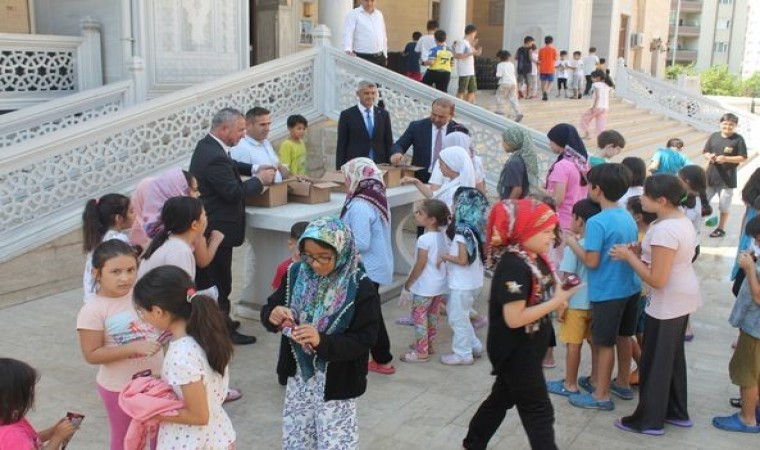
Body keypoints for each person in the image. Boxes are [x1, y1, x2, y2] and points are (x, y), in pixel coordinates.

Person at [463, 198, 579, 450]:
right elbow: (514, 318)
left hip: (530, 345)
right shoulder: (514, 266)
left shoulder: (535, 257)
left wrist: (560, 298)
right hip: (516, 351)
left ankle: (473, 444)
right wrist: (558, 300)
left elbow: (545, 289)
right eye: (546, 231)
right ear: (526, 230)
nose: (552, 238)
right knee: (539, 411)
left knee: (501, 398)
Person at [261, 217, 380, 449]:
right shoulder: (296, 273)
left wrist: (321, 341)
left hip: (336, 380)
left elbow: (365, 339)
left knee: (335, 439)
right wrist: (272, 315)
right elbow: (271, 307)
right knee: (299, 435)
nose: (315, 264)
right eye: (308, 256)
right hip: (300, 375)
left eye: (324, 257)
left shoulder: (359, 286)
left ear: (342, 251)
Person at [609, 174, 701, 435]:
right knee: (671, 359)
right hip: (680, 295)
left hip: (668, 299)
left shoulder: (664, 229)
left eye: (646, 196)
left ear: (661, 200)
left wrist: (629, 256)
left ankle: (649, 420)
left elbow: (657, 279)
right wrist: (641, 252)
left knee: (656, 361)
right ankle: (675, 411)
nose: (641, 199)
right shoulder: (677, 219)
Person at [189, 107, 276, 346]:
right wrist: (259, 181)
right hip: (217, 229)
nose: (242, 134)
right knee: (218, 283)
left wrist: (253, 169)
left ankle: (221, 322)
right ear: (224, 128)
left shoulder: (211, 146)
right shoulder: (214, 155)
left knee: (218, 280)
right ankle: (221, 329)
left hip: (216, 226)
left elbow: (230, 165)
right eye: (239, 130)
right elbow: (233, 192)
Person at [564, 163, 641, 411]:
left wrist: (573, 243)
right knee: (624, 336)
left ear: (597, 189)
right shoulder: (626, 215)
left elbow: (591, 261)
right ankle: (622, 383)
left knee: (604, 342)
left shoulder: (597, 222)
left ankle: (601, 394)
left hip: (608, 291)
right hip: (631, 287)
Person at [133, 266, 236, 448]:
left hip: (192, 441)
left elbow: (198, 416)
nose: (143, 317)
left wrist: (150, 411)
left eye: (142, 312)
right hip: (219, 433)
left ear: (158, 311)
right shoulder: (207, 334)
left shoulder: (180, 355)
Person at [76, 240, 163, 450]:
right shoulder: (93, 310)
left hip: (156, 382)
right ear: (97, 273)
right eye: (115, 271)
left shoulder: (141, 296)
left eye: (131, 270)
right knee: (126, 440)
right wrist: (133, 348)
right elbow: (92, 354)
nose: (125, 278)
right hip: (119, 387)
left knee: (159, 436)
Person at [340, 157, 395, 375]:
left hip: (366, 269)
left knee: (370, 316)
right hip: (375, 266)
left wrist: (337, 242)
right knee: (370, 313)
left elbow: (361, 242)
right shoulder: (374, 197)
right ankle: (379, 356)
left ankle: (382, 359)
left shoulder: (360, 205)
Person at [547, 198, 602, 397]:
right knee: (594, 343)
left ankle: (570, 383)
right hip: (595, 303)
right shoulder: (599, 246)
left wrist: (561, 303)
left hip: (576, 304)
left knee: (573, 344)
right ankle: (596, 379)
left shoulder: (574, 246)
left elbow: (569, 277)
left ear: (579, 220)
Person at [712, 215, 760, 433]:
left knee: (746, 372)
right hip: (753, 325)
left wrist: (750, 269)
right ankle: (754, 407)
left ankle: (747, 418)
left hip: (755, 328)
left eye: (758, 239)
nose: (756, 243)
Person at [130, 169, 224, 276]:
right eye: (194, 190)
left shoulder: (154, 225)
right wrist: (215, 239)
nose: (198, 194)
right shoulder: (180, 247)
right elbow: (184, 287)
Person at [440, 187, 489, 365]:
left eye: (455, 202)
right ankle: (474, 345)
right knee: (462, 315)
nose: (452, 206)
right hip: (473, 282)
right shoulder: (474, 227)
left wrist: (444, 256)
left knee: (457, 319)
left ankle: (463, 354)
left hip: (462, 284)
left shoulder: (461, 231)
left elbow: (462, 260)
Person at [400, 198, 449, 363]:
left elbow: (420, 264)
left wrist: (409, 283)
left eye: (420, 213)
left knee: (419, 316)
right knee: (432, 315)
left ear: (432, 219)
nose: (416, 215)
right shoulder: (442, 236)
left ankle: (422, 352)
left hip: (425, 286)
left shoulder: (424, 239)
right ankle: (429, 344)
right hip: (439, 284)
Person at [0, 358, 78, 450]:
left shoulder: (11, 416)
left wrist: (53, 431)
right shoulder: (11, 435)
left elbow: (29, 440)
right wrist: (57, 438)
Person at [271, 221, 310, 386]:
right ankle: (284, 374)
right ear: (291, 244)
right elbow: (275, 295)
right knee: (287, 348)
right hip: (289, 320)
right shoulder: (285, 268)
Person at [390, 98, 459, 183]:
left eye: (441, 117)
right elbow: (399, 145)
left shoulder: (458, 131)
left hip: (448, 180)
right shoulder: (417, 126)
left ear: (451, 115)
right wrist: (397, 153)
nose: (436, 119)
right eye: (434, 114)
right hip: (420, 179)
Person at [137, 196, 206, 282]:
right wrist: (194, 295)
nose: (206, 219)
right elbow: (183, 291)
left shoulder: (168, 241)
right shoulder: (179, 251)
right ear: (194, 225)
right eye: (204, 215)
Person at [703, 113, 748, 238]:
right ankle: (696, 225)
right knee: (702, 201)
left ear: (735, 126)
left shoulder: (738, 139)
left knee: (724, 206)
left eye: (731, 124)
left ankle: (721, 228)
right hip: (711, 176)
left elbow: (743, 157)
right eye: (725, 123)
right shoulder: (714, 136)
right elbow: (705, 151)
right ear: (720, 123)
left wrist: (726, 158)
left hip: (727, 179)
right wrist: (709, 156)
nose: (727, 126)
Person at [82, 193, 135, 299]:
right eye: (131, 211)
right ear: (118, 218)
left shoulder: (99, 238)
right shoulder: (119, 241)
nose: (135, 215)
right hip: (110, 298)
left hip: (93, 296)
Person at [544, 123, 589, 244]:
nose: (549, 144)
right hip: (575, 221)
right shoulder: (581, 163)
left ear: (559, 141)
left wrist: (541, 192)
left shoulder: (563, 165)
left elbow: (558, 199)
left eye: (551, 141)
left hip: (560, 222)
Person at [336, 81, 394, 169]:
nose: (370, 96)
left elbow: (388, 142)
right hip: (356, 166)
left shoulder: (383, 114)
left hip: (379, 165)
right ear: (358, 94)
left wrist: (390, 165)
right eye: (366, 93)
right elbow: (341, 145)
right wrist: (339, 169)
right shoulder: (347, 115)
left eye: (373, 93)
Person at [401, 145, 476, 211]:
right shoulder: (450, 183)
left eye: (441, 164)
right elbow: (434, 196)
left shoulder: (455, 190)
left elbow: (446, 215)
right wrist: (416, 182)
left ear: (451, 165)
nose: (439, 167)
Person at [231, 107, 290, 182]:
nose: (267, 128)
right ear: (248, 125)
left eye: (268, 124)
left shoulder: (266, 142)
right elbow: (242, 181)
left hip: (280, 190)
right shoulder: (241, 148)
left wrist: (294, 177)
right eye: (262, 125)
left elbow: (277, 165)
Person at [497, 127, 540, 200]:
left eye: (504, 141)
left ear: (513, 142)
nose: (502, 144)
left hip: (514, 205)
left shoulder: (514, 162)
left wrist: (508, 207)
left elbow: (517, 190)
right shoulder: (521, 158)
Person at [342, 0, 387, 67]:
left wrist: (385, 54)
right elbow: (348, 34)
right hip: (363, 58)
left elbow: (383, 34)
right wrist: (348, 49)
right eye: (366, 0)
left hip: (380, 57)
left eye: (372, 0)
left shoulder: (379, 14)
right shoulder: (353, 14)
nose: (369, 3)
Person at [579, 70, 611, 140]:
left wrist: (594, 107)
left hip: (597, 106)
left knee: (584, 119)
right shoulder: (607, 86)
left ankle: (587, 134)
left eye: (593, 77)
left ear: (598, 78)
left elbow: (598, 96)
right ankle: (601, 139)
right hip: (605, 107)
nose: (591, 79)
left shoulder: (596, 84)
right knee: (601, 124)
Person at [454, 24, 482, 103]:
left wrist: (476, 51)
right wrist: (472, 53)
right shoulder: (461, 42)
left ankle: (468, 106)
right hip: (464, 71)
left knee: (472, 90)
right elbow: (458, 55)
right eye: (475, 34)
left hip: (470, 71)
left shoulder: (468, 43)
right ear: (473, 32)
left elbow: (472, 52)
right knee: (462, 90)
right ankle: (459, 106)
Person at [494, 50, 523, 122]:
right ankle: (518, 112)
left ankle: (500, 110)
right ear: (508, 57)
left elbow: (499, 75)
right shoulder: (511, 64)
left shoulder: (500, 65)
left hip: (504, 82)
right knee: (513, 98)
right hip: (513, 82)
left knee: (499, 96)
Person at [538, 36, 558, 101]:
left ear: (545, 41)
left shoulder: (541, 50)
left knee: (543, 81)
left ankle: (543, 93)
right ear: (552, 42)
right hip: (551, 68)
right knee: (551, 81)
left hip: (543, 68)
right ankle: (547, 91)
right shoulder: (554, 50)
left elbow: (539, 59)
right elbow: (556, 58)